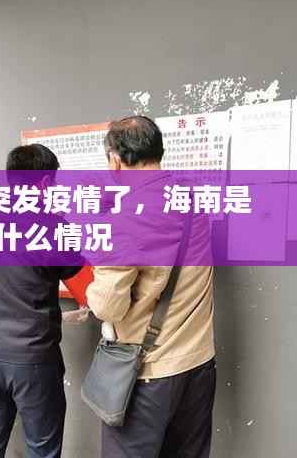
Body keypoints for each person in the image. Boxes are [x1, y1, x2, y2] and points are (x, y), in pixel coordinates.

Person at [86, 116, 216, 458]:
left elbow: (107, 306)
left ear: (115, 160)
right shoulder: (192, 198)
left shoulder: (123, 218)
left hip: (148, 373)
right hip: (198, 362)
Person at [0, 144, 82, 458]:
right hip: (32, 359)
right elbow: (86, 284)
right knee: (42, 448)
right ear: (45, 183)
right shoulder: (52, 226)